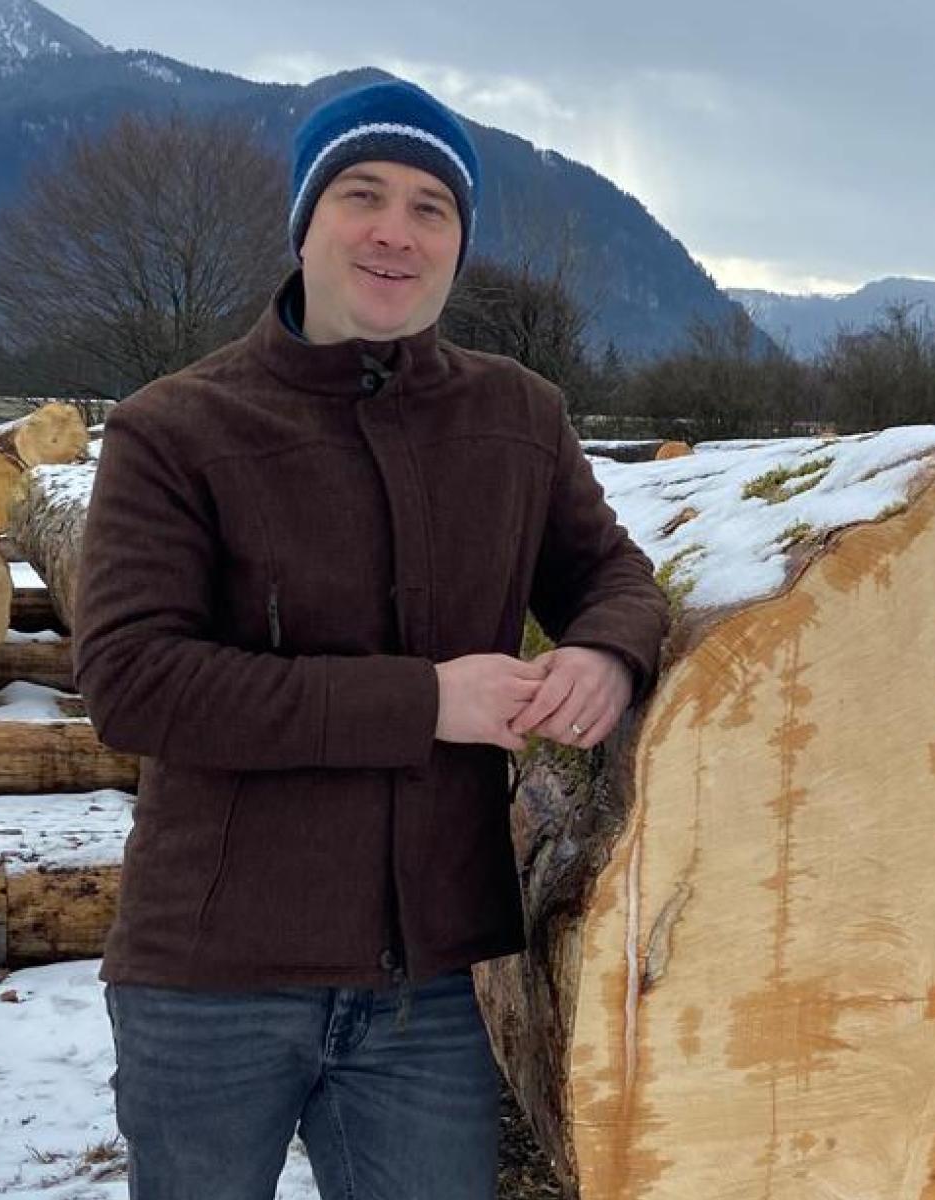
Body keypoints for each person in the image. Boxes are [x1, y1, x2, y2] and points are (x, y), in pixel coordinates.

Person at [73, 79, 671, 1200]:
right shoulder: (176, 428)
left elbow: (613, 574)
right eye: (363, 194)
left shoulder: (518, 416)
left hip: (425, 990)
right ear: (306, 222)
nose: (396, 229)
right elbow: (133, 682)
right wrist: (423, 703)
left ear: (458, 244)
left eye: (431, 207)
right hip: (210, 976)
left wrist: (607, 649)